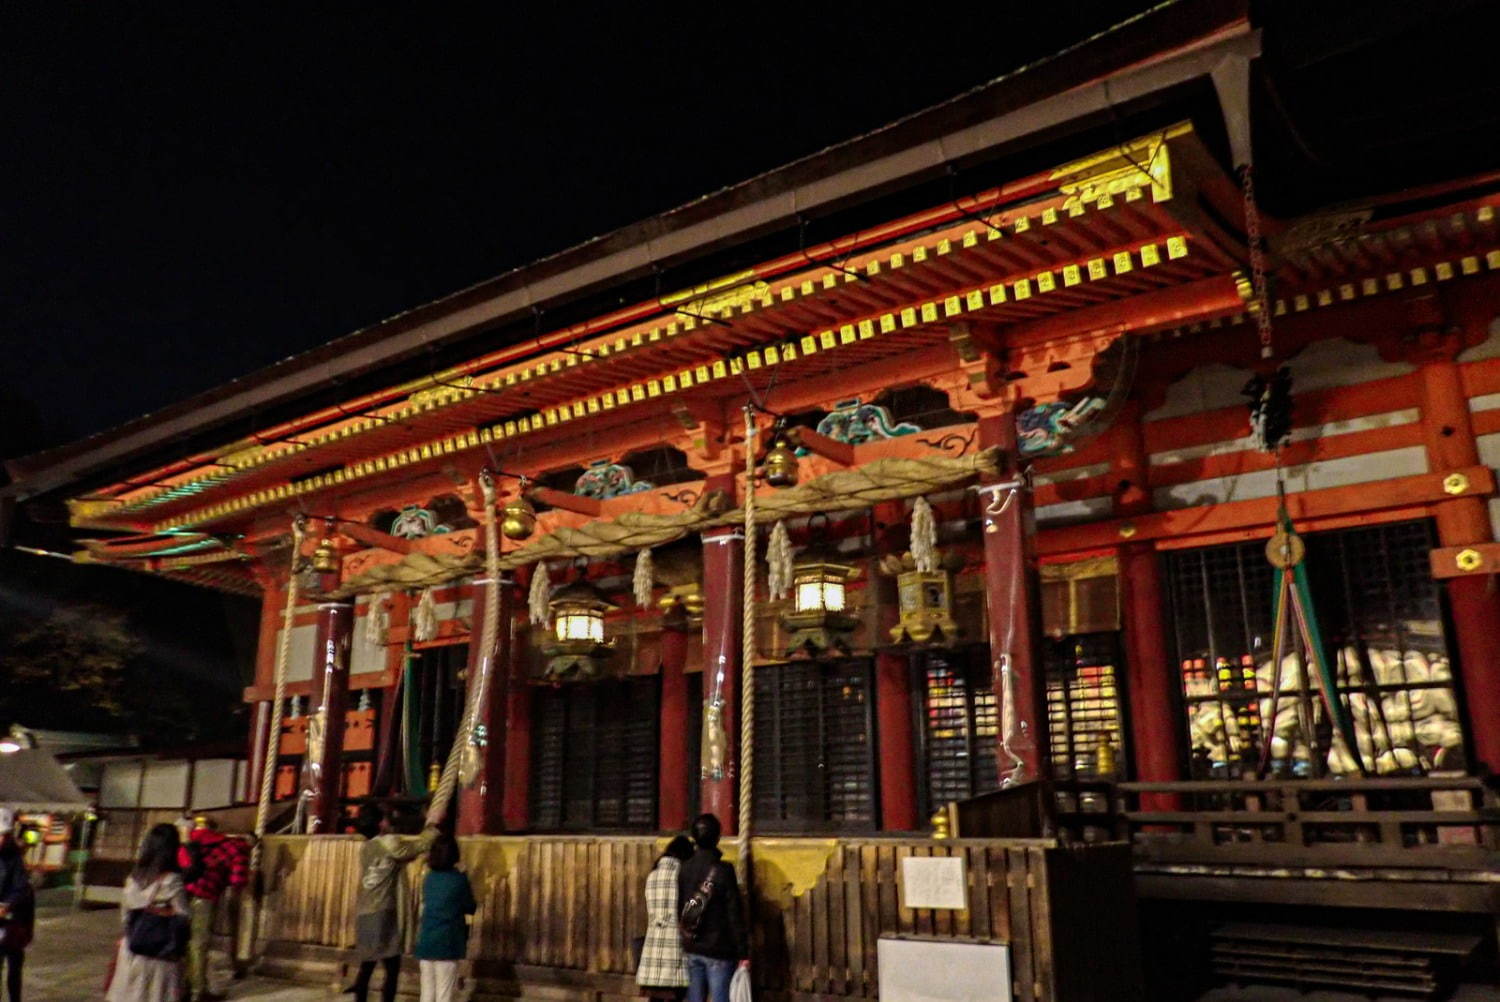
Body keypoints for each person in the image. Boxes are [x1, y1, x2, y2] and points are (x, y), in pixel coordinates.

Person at [348, 804, 436, 1002]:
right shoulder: (390, 843)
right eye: (385, 819)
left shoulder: (366, 847)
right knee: (392, 966)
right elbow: (418, 846)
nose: (388, 822)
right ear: (381, 824)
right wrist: (432, 826)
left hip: (365, 909)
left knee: (367, 964)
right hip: (383, 909)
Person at [108, 823, 189, 1002]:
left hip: (132, 949)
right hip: (160, 955)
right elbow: (183, 918)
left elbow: (125, 916)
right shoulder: (172, 881)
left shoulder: (133, 878)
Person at [176, 817, 250, 1002]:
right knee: (199, 943)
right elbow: (238, 877)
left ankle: (181, 985)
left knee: (181, 941)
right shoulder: (230, 845)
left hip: (178, 893)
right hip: (206, 896)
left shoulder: (183, 841)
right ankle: (197, 990)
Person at [676, 815, 748, 1002]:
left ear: (694, 838)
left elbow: (680, 908)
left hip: (692, 945)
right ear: (717, 837)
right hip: (719, 948)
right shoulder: (723, 870)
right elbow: (734, 913)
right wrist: (743, 951)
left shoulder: (684, 868)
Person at [413, 834, 475, 1002]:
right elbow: (471, 907)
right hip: (447, 943)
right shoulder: (459, 879)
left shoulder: (429, 878)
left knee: (426, 994)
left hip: (426, 941)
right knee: (444, 995)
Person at [636, 835, 694, 999]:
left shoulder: (652, 876)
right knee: (675, 994)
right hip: (674, 946)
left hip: (653, 944)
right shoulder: (682, 876)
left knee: (655, 996)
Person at [0, 834, 33, 1002]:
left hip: (13, 924)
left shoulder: (15, 860)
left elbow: (22, 890)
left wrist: (7, 906)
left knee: (14, 969)